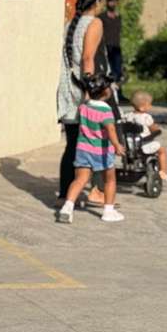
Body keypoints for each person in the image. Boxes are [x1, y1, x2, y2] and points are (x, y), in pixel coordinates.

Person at [57, 0, 109, 203]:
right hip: (84, 91)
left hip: (68, 90)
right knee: (96, 141)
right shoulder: (94, 23)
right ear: (97, 2)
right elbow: (88, 58)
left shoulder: (71, 24)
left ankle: (64, 194)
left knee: (72, 144)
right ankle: (96, 191)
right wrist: (91, 91)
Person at [57, 73, 126, 223]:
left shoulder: (84, 107)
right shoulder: (106, 111)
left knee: (79, 180)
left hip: (83, 150)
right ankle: (108, 211)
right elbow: (110, 129)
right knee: (110, 180)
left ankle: (67, 207)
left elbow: (88, 97)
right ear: (106, 91)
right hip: (102, 151)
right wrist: (117, 145)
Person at [125, 90, 167, 183]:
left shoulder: (127, 116)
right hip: (143, 145)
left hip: (128, 146)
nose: (151, 106)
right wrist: (156, 130)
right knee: (162, 150)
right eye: (149, 104)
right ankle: (163, 172)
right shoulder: (146, 117)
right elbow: (154, 129)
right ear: (142, 108)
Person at [99, 0, 123, 91]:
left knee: (118, 71)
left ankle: (118, 93)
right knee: (107, 71)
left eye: (114, 1)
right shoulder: (101, 17)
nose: (112, 3)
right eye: (110, 1)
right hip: (105, 47)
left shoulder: (118, 17)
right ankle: (107, 92)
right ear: (107, 3)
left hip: (116, 47)